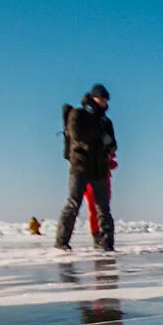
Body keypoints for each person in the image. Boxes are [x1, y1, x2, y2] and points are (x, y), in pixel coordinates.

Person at [58, 84, 118, 252]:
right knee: (73, 203)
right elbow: (78, 137)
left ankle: (106, 243)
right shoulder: (78, 114)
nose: (105, 102)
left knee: (103, 207)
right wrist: (100, 137)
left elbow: (113, 145)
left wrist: (109, 144)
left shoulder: (106, 121)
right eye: (102, 98)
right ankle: (61, 242)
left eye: (106, 99)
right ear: (93, 98)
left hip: (100, 168)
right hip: (80, 166)